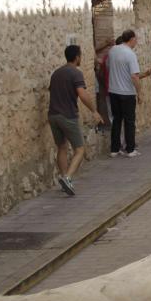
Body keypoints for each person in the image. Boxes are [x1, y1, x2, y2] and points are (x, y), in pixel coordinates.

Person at [48, 44, 103, 196]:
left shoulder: (56, 73)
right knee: (80, 149)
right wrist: (94, 111)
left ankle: (65, 180)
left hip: (53, 115)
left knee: (62, 147)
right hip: (68, 115)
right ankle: (67, 177)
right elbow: (82, 94)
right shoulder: (75, 73)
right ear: (77, 57)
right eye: (81, 56)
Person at [107, 29, 143, 157]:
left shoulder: (113, 50)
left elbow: (108, 66)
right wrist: (139, 92)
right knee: (129, 121)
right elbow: (134, 76)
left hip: (113, 91)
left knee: (116, 120)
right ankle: (130, 149)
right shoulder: (130, 54)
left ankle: (114, 149)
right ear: (132, 39)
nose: (136, 42)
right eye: (136, 39)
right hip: (127, 93)